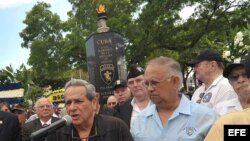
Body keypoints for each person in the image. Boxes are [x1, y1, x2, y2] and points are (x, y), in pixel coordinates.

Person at [131, 56, 219, 141]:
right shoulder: (139, 121)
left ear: (175, 81)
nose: (149, 88)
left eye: (154, 83)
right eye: (147, 84)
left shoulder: (207, 118)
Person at [55, 79, 134, 141]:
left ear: (94, 102)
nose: (72, 108)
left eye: (78, 101)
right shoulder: (57, 134)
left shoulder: (116, 127)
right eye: (68, 103)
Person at [204, 54, 250, 141]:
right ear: (230, 83)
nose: (240, 80)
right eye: (234, 77)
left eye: (246, 74)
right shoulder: (220, 109)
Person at [187, 48, 240, 115]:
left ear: (212, 66)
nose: (194, 70)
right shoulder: (199, 90)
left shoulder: (227, 86)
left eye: (197, 66)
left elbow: (224, 120)